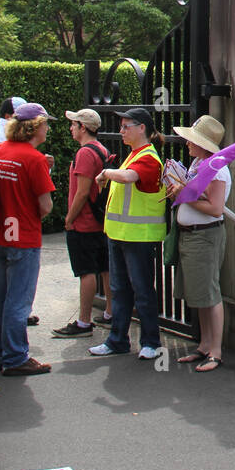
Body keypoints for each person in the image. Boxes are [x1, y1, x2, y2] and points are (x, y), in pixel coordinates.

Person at [89, 108, 167, 361]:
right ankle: (117, 340)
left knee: (142, 290)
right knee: (120, 289)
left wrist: (106, 173)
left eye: (126, 126)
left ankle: (151, 342)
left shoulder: (147, 157)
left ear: (141, 127)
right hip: (121, 234)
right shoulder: (134, 155)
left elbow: (128, 177)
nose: (121, 131)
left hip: (139, 236)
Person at [0, 102, 56, 375]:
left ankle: (0, 354)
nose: (48, 128)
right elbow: (46, 206)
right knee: (19, 302)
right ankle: (16, 358)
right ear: (36, 127)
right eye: (46, 124)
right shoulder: (34, 159)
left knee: (0, 299)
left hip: (0, 233)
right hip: (24, 236)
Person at [170, 115, 230, 372]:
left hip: (205, 234)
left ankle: (215, 351)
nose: (187, 144)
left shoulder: (216, 168)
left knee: (210, 293)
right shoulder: (200, 163)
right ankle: (205, 345)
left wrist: (183, 195)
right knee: (201, 293)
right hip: (193, 234)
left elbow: (215, 209)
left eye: (192, 140)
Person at [51, 108, 113, 338]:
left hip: (84, 222)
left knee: (86, 272)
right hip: (99, 221)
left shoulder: (85, 153)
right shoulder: (102, 150)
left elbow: (82, 191)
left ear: (83, 127)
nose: (71, 127)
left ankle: (84, 322)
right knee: (105, 268)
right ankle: (110, 312)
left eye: (74, 124)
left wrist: (69, 219)